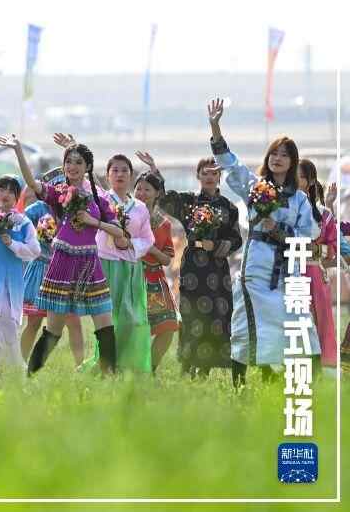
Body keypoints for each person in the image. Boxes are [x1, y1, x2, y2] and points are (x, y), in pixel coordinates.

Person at [207, 98, 320, 386]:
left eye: (284, 154)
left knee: (297, 323)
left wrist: (279, 231)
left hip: (288, 272)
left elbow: (309, 235)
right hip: (256, 267)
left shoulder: (299, 199)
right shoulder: (255, 187)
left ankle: (306, 385)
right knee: (245, 324)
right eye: (274, 153)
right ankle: (239, 387)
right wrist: (215, 128)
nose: (277, 158)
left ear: (292, 162)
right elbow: (231, 164)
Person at [1, 133, 123, 375]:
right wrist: (18, 151)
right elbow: (33, 184)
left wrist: (93, 222)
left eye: (78, 162)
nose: (72, 166)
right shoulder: (59, 193)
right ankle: (29, 376)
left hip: (90, 264)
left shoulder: (99, 199)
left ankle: (111, 378)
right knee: (53, 329)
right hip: (62, 264)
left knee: (105, 325)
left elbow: (119, 232)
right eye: (68, 161)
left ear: (88, 167)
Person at [138, 151, 242, 378]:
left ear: (220, 176)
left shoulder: (229, 207)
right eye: (205, 173)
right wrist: (154, 169)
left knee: (217, 315)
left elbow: (236, 240)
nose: (210, 177)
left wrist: (216, 245)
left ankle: (205, 368)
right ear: (198, 176)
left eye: (214, 173)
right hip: (193, 267)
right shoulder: (189, 202)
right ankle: (187, 367)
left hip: (217, 269)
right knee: (191, 314)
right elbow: (164, 198)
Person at [88, 153, 155, 374]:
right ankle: (106, 364)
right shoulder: (100, 201)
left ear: (131, 175)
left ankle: (127, 364)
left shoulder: (140, 208)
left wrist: (129, 243)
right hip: (106, 264)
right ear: (108, 175)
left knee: (133, 319)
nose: (120, 174)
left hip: (131, 267)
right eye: (114, 170)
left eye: (124, 170)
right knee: (109, 320)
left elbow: (148, 239)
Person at [0, 175, 40, 371]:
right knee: (8, 333)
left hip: (14, 283)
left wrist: (12, 243)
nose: (5, 194)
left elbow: (34, 251)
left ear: (17, 197)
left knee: (5, 334)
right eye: (2, 189)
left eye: (11, 191)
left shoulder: (23, 222)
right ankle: (19, 375)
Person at [20, 183, 85, 366]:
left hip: (66, 270)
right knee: (34, 321)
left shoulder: (74, 210)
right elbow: (19, 222)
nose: (59, 193)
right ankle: (19, 365)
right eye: (55, 188)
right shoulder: (38, 208)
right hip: (41, 268)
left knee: (73, 321)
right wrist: (34, 235)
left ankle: (79, 367)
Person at [132, 170, 179, 373]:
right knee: (133, 327)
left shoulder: (163, 223)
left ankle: (148, 369)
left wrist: (150, 249)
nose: (142, 193)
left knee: (168, 326)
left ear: (157, 193)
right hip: (131, 276)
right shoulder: (126, 215)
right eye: (138, 189)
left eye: (147, 189)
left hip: (154, 279)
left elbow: (167, 259)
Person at [298, 161, 337, 370]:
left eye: (298, 177)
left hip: (313, 274)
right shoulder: (278, 209)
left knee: (317, 321)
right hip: (285, 273)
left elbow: (332, 249)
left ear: (310, 181)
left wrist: (311, 250)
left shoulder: (324, 215)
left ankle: (321, 366)